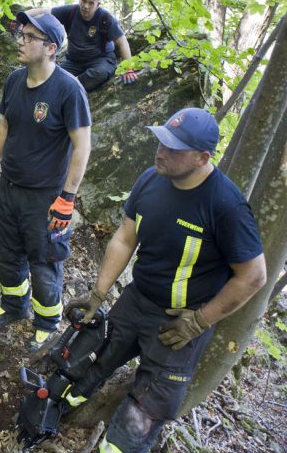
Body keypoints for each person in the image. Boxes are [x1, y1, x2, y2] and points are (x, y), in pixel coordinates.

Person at [63, 107, 267, 452]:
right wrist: (98, 293)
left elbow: (254, 276)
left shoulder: (225, 205)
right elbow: (125, 237)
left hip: (178, 324)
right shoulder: (151, 179)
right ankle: (58, 410)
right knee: (97, 358)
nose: (162, 152)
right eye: (162, 142)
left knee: (143, 413)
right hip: (136, 298)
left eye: (174, 149)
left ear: (203, 157)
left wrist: (201, 321)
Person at [0, 12, 92, 353]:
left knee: (44, 263)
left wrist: (67, 197)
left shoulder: (68, 90)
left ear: (51, 48)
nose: (21, 41)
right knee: (6, 255)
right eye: (21, 34)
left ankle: (46, 322)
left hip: (46, 197)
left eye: (30, 37)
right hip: (11, 189)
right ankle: (14, 306)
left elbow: (82, 145)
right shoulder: (15, 80)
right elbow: (5, 126)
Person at [25, 0, 137, 91]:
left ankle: (72, 86)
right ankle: (66, 87)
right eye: (83, 1)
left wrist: (128, 68)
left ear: (98, 4)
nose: (86, 6)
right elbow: (44, 12)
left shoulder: (105, 18)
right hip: (73, 61)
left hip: (100, 60)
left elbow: (122, 42)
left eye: (91, 3)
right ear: (79, 0)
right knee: (52, 76)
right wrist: (21, 18)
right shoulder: (71, 11)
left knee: (100, 73)